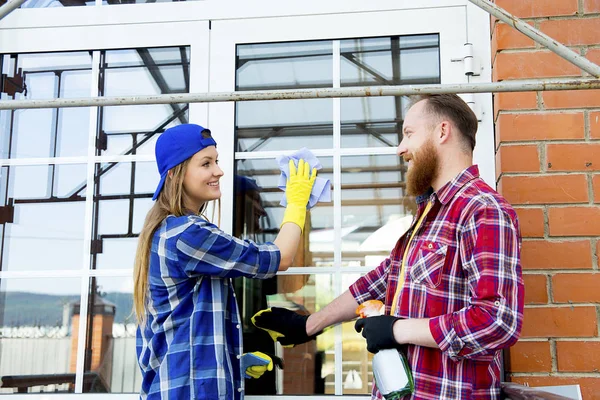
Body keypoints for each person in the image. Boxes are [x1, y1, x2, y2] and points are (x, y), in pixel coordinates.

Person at [252, 94, 525, 399]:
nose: (401, 148)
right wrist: (309, 325)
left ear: (442, 132)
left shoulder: (482, 209)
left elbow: (497, 321)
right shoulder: (431, 215)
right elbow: (381, 281)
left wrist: (398, 329)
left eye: (409, 134)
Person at [132, 123, 317, 400]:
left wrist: (232, 365)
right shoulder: (188, 235)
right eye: (206, 164)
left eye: (216, 161)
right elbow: (280, 257)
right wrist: (297, 203)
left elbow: (173, 332)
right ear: (175, 175)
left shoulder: (167, 232)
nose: (218, 171)